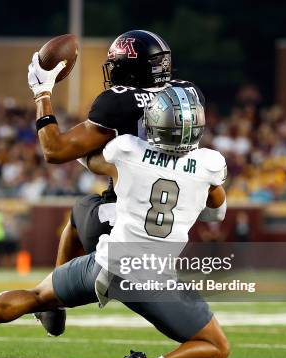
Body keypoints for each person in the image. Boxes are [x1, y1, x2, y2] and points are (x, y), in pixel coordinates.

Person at [0, 87, 230, 358]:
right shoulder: (210, 166)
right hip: (152, 275)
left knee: (34, 296)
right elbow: (215, 211)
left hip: (105, 264)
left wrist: (72, 138)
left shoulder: (127, 151)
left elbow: (83, 156)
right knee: (215, 346)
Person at [28, 30, 206, 336]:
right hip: (174, 219)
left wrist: (42, 93)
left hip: (123, 216)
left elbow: (54, 150)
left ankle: (52, 303)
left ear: (129, 68)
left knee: (79, 211)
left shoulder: (119, 101)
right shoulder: (188, 93)